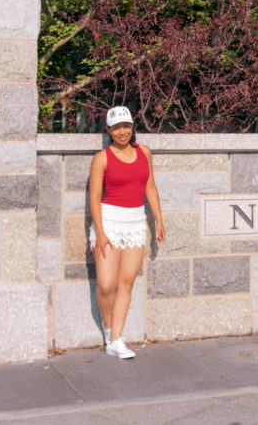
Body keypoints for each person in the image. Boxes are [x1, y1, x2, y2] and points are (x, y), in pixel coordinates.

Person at [88, 106, 165, 359]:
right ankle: (108, 330)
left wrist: (158, 221)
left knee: (127, 282)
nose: (122, 131)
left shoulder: (144, 152)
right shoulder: (102, 158)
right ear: (108, 130)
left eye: (126, 126)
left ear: (133, 127)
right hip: (109, 221)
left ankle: (117, 340)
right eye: (116, 127)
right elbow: (94, 198)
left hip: (135, 221)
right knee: (106, 285)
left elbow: (150, 187)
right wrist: (100, 232)